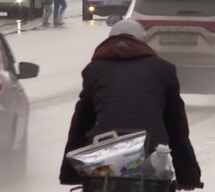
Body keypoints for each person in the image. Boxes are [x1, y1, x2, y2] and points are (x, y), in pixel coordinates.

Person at [59, 19, 204, 190]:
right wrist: (187, 176)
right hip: (149, 156)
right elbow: (177, 128)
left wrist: (71, 172)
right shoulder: (163, 69)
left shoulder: (94, 69)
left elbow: (80, 124)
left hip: (103, 159)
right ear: (143, 42)